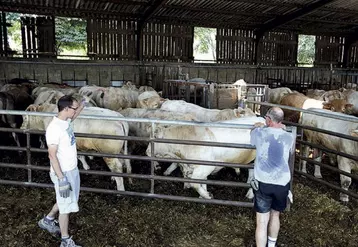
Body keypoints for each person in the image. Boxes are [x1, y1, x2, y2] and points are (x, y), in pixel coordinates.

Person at [38, 95, 85, 247]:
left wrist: (83, 103)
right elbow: (51, 154)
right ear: (66, 109)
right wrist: (61, 178)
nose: (75, 111)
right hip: (63, 173)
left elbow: (75, 116)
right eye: (74, 108)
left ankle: (47, 220)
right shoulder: (54, 128)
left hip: (72, 169)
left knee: (65, 199)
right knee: (65, 207)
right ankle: (65, 241)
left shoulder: (66, 121)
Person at [250, 107, 294, 247]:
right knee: (275, 215)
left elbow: (251, 141)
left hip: (263, 182)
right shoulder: (289, 136)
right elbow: (289, 150)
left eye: (266, 118)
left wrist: (256, 127)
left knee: (262, 221)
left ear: (269, 119)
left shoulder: (260, 133)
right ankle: (272, 244)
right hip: (282, 183)